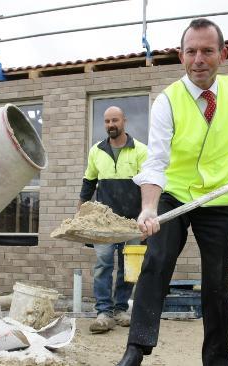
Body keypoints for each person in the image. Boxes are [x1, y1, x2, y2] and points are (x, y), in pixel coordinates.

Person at [117, 18, 228, 366]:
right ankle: (136, 349)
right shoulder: (167, 101)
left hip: (218, 199)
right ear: (180, 57)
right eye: (191, 51)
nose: (199, 59)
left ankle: (217, 359)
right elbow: (155, 160)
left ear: (223, 54)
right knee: (156, 261)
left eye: (207, 51)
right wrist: (149, 208)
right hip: (174, 193)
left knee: (216, 280)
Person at [79, 106, 148, 334]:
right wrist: (81, 215)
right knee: (103, 266)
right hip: (103, 222)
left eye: (115, 120)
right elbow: (88, 182)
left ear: (124, 121)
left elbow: (148, 185)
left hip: (132, 222)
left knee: (129, 268)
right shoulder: (96, 151)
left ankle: (120, 309)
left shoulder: (140, 150)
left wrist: (147, 215)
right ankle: (103, 313)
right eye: (107, 121)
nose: (111, 125)